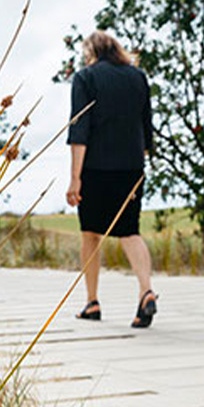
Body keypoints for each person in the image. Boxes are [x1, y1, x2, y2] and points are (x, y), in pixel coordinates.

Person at [66, 30, 157, 329]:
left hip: (96, 168)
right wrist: (140, 161)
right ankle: (146, 291)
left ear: (90, 52)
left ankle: (92, 302)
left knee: (90, 233)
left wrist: (75, 178)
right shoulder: (138, 77)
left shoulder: (85, 78)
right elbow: (146, 127)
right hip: (131, 166)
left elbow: (79, 129)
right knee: (130, 231)